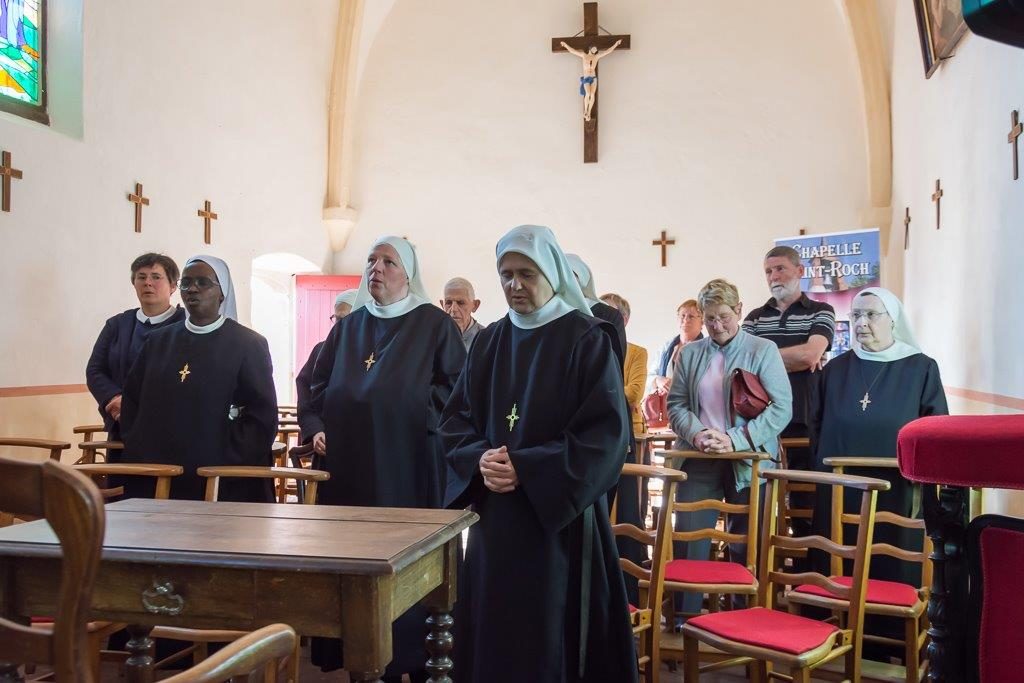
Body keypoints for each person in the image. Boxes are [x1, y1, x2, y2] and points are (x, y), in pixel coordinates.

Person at [441, 225, 637, 683]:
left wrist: (528, 468)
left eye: (526, 273)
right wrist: (478, 459)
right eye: (505, 274)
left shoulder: (587, 338)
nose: (514, 284)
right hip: (497, 525)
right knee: (494, 636)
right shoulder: (488, 342)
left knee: (552, 641)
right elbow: (454, 421)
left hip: (560, 525)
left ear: (550, 273)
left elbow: (606, 437)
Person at [304, 236, 466, 682]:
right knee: (353, 563)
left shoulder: (434, 324)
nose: (376, 267)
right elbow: (317, 388)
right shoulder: (348, 326)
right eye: (372, 260)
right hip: (349, 472)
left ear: (407, 273)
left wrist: (402, 407)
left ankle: (413, 657)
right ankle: (358, 653)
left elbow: (455, 393)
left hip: (407, 465)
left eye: (388, 261)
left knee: (405, 566)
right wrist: (317, 427)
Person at [667, 278, 792, 617]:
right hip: (699, 457)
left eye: (723, 316)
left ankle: (743, 619)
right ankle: (685, 620)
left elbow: (782, 408)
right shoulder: (691, 353)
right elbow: (676, 404)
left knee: (747, 544)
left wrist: (734, 440)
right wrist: (699, 434)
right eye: (709, 319)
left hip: (750, 461)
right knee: (690, 540)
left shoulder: (762, 350)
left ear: (738, 310)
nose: (717, 326)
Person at [809, 287, 948, 588]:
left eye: (871, 314)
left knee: (891, 563)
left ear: (893, 320)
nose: (861, 322)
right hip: (840, 485)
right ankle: (832, 619)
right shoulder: (834, 369)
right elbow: (816, 425)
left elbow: (935, 430)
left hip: (898, 487)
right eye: (856, 315)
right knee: (838, 559)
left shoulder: (921, 368)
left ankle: (893, 627)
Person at [120, 255, 277, 503]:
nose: (192, 288)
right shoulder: (158, 342)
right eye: (187, 283)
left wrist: (226, 458)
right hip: (160, 472)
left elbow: (262, 416)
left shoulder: (248, 344)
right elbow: (132, 401)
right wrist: (143, 448)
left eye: (203, 282)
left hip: (220, 476)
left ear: (222, 292)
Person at [743, 245, 835, 551]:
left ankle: (806, 565)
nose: (773, 277)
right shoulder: (755, 318)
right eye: (768, 272)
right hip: (760, 416)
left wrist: (764, 359)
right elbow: (741, 362)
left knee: (804, 496)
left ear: (800, 271)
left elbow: (812, 353)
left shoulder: (821, 311)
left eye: (780, 269)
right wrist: (792, 358)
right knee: (760, 494)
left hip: (804, 416)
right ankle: (762, 561)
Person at [86, 253, 186, 448]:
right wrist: (114, 399)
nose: (148, 283)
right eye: (141, 277)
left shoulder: (185, 325)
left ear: (173, 286)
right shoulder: (117, 325)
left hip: (171, 429)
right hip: (122, 425)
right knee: (121, 479)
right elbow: (95, 370)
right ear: (134, 284)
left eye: (156, 277)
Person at [295, 289, 357, 443]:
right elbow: (305, 397)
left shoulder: (375, 353)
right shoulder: (320, 351)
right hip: (326, 443)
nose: (340, 325)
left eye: (347, 319)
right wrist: (315, 430)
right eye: (337, 319)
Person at [565, 253, 626, 368]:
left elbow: (615, 362)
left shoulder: (609, 315)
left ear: (581, 280)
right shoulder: (548, 313)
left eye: (570, 276)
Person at [558, 39, 623, 122]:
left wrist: (616, 44)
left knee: (592, 94)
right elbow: (573, 51)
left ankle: (588, 112)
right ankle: (585, 111)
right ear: (590, 49)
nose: (595, 50)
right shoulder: (584, 55)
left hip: (593, 78)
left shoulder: (596, 56)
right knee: (588, 93)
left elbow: (607, 52)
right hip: (586, 78)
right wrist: (565, 45)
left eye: (596, 49)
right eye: (594, 48)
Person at [651, 299, 703, 396]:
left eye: (691, 316)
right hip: (665, 407)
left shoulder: (707, 350)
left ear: (702, 322)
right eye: (682, 315)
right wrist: (658, 380)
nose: (686, 320)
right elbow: (650, 375)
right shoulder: (667, 347)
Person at [440, 276, 484, 350]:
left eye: (461, 303)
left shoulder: (487, 338)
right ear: (442, 305)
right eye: (449, 303)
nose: (453, 309)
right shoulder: (435, 337)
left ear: (475, 305)